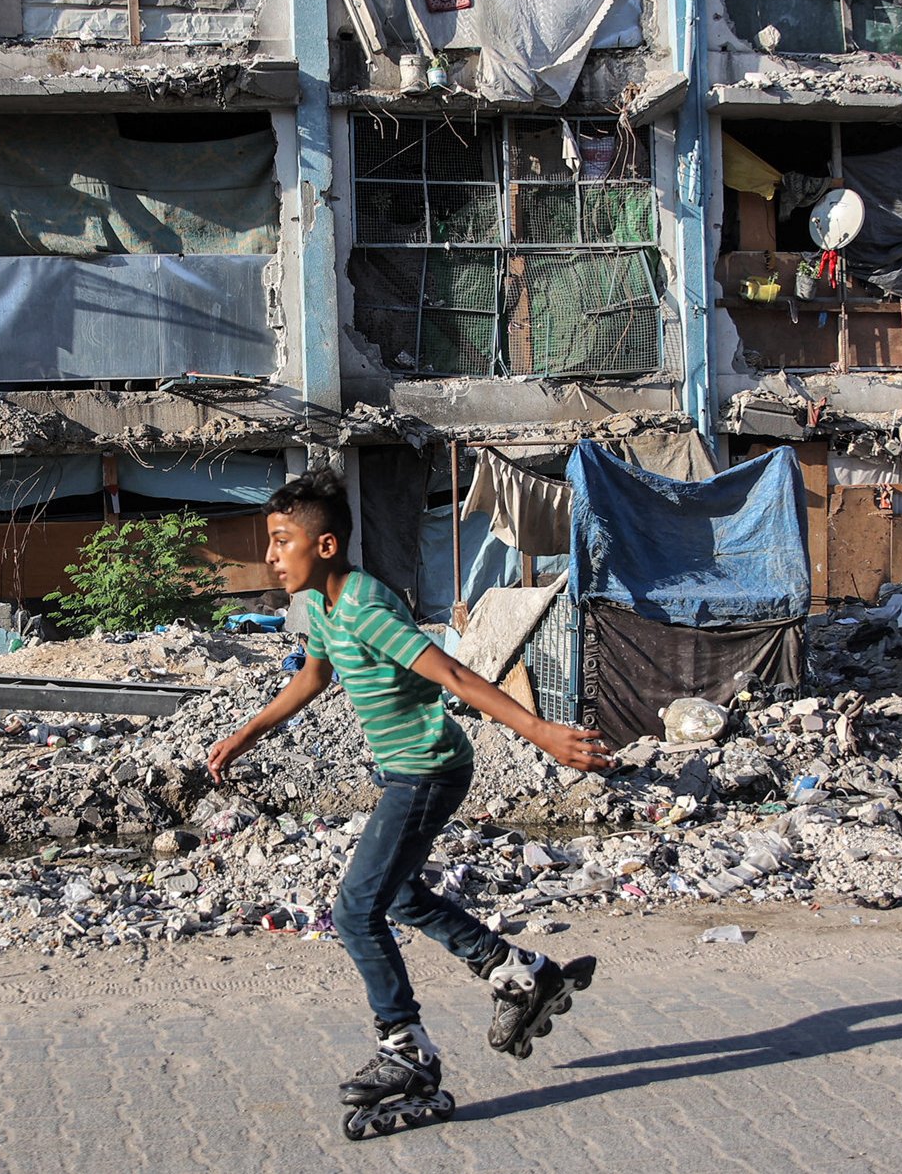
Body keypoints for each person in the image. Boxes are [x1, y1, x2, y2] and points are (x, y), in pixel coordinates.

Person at [207, 469, 613, 1121]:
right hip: (407, 770)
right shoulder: (325, 607)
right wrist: (245, 733)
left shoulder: (365, 607)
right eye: (270, 541)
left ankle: (405, 1049)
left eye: (283, 541)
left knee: (354, 910)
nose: (270, 555)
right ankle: (518, 971)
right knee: (394, 895)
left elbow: (450, 670)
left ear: (327, 546)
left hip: (427, 768)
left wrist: (543, 732)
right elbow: (313, 674)